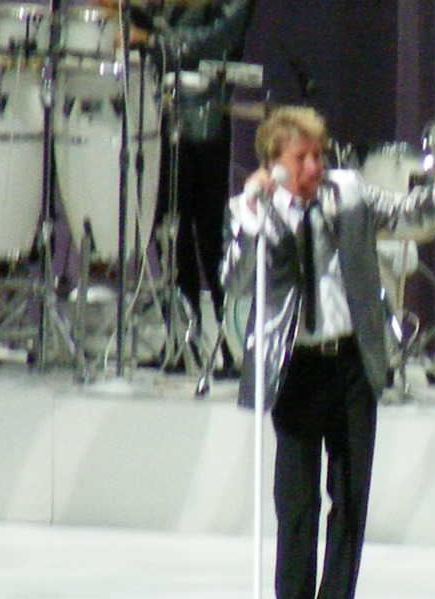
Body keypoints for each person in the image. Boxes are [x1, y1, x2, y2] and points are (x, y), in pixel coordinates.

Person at [222, 106, 435, 599]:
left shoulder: (348, 192)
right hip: (296, 366)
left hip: (351, 363)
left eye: (319, 155)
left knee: (351, 498)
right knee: (297, 504)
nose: (314, 166)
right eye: (301, 158)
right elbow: (235, 279)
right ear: (274, 163)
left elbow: (408, 213)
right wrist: (252, 216)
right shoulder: (254, 211)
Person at [125, 0, 255, 374]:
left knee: (209, 235)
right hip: (161, 112)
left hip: (203, 117)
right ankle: (181, 340)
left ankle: (230, 346)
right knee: (169, 229)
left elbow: (218, 39)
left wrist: (151, 39)